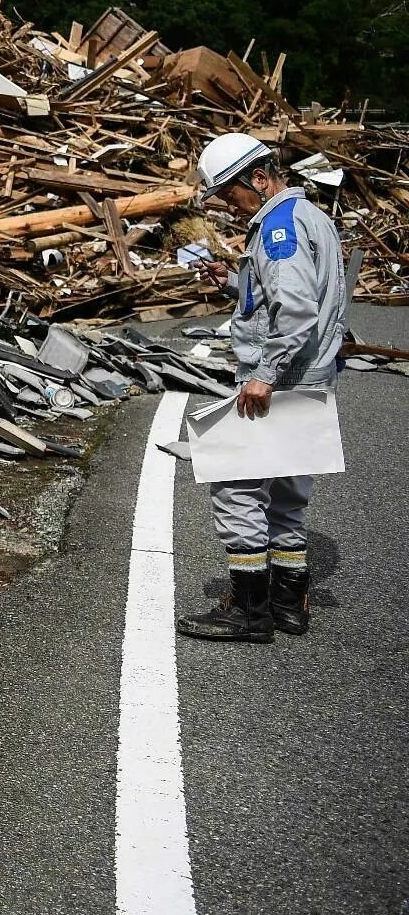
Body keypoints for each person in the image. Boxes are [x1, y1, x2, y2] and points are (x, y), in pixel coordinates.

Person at [178, 133, 347, 643]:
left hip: (282, 382)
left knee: (236, 489)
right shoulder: (309, 218)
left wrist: (263, 375)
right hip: (312, 378)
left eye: (230, 194)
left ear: (259, 178)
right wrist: (234, 282)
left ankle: (249, 611)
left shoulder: (277, 228)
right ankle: (289, 604)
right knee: (288, 497)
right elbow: (289, 293)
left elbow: (295, 311)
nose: (229, 206)